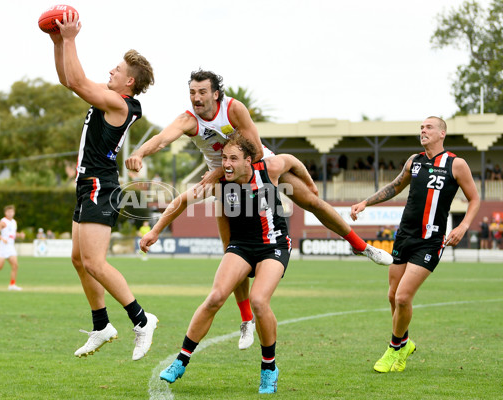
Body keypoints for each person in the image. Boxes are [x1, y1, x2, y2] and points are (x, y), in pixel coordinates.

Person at [126, 69, 392, 350]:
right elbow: (165, 139)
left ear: (216, 94)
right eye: (192, 92)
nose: (196, 98)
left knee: (312, 202)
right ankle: (246, 320)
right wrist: (140, 153)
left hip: (256, 168)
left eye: (202, 92)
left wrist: (308, 183)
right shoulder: (187, 120)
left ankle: (361, 246)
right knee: (232, 248)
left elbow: (254, 149)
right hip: (226, 183)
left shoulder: (234, 109)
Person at [141, 135, 301, 393]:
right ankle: (181, 360)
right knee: (215, 297)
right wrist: (155, 231)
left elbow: (293, 161)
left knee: (259, 301)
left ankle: (269, 368)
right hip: (241, 246)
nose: (226, 163)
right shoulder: (218, 183)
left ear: (248, 161)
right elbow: (181, 201)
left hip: (274, 245)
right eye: (224, 158)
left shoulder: (268, 169)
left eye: (233, 159)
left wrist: (312, 186)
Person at [48, 10, 157, 361]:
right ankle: (101, 326)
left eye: (118, 70)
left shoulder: (118, 103)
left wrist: (70, 39)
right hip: (87, 184)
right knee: (79, 260)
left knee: (95, 261)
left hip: (100, 185)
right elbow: (69, 81)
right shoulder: (110, 97)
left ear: (129, 83)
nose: (111, 71)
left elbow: (79, 83)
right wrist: (56, 42)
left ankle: (142, 320)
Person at [350, 116, 480, 373]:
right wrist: (366, 202)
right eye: (421, 127)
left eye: (429, 127)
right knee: (392, 296)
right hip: (405, 236)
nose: (423, 130)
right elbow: (395, 186)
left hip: (430, 242)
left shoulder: (456, 164)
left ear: (442, 133)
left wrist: (462, 226)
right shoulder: (415, 161)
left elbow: (474, 199)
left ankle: (393, 348)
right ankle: (406, 343)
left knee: (402, 297)